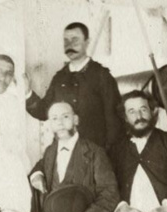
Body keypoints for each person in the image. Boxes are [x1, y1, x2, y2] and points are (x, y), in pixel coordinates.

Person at [25, 22, 125, 150]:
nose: (69, 45)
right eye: (66, 41)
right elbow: (43, 112)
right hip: (64, 152)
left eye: (75, 40)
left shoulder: (102, 76)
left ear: (87, 42)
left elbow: (114, 123)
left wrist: (106, 156)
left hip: (94, 154)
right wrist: (27, 92)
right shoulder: (59, 78)